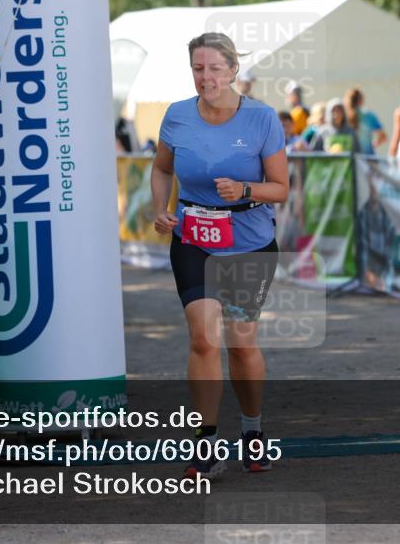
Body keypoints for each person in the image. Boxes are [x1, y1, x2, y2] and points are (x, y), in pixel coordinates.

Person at [151, 32, 288, 479]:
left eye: (213, 68)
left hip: (249, 239)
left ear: (233, 70)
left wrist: (246, 189)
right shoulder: (175, 117)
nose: (205, 77)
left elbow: (281, 188)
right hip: (194, 237)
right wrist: (160, 209)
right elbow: (161, 167)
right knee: (203, 338)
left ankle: (252, 430)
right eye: (197, 68)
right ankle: (206, 442)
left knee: (241, 343)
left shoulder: (262, 119)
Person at [343, 87, 386, 155]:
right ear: (361, 101)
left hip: (350, 158)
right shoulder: (369, 115)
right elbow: (383, 137)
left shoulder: (343, 117)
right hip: (367, 157)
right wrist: (373, 145)